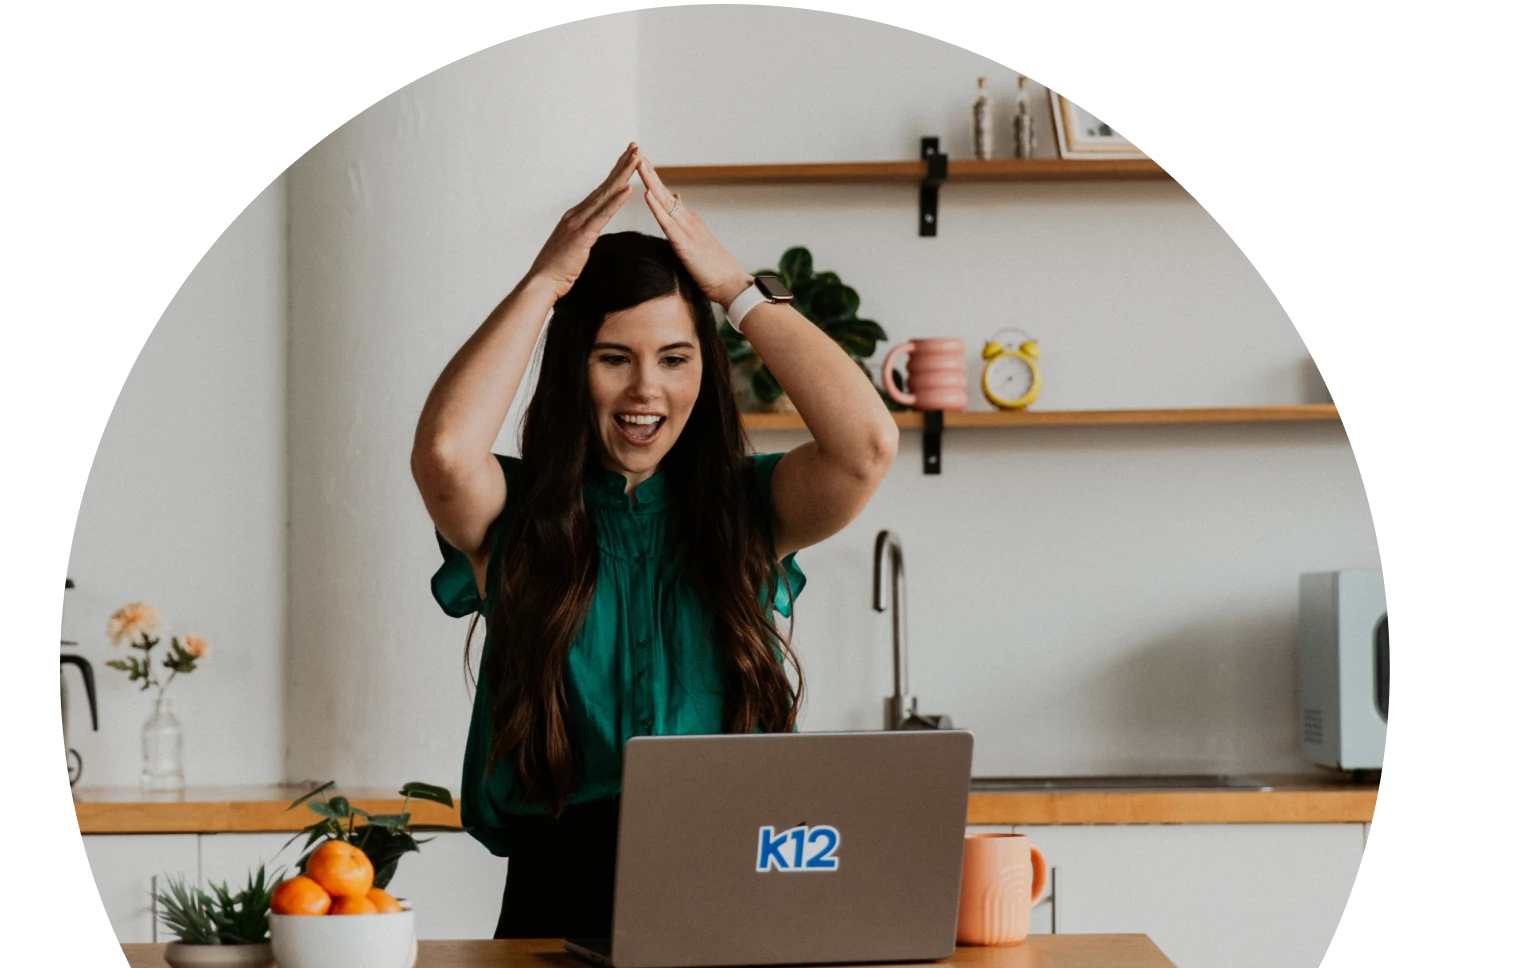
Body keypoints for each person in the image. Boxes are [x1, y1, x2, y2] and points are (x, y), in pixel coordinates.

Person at [410, 142, 898, 939]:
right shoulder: (517, 513)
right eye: (614, 358)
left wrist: (738, 292)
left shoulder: (747, 509)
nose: (647, 390)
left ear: (705, 369)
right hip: (554, 900)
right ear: (574, 368)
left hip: (740, 890)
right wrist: (543, 285)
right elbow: (443, 453)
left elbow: (867, 446)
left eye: (676, 358)